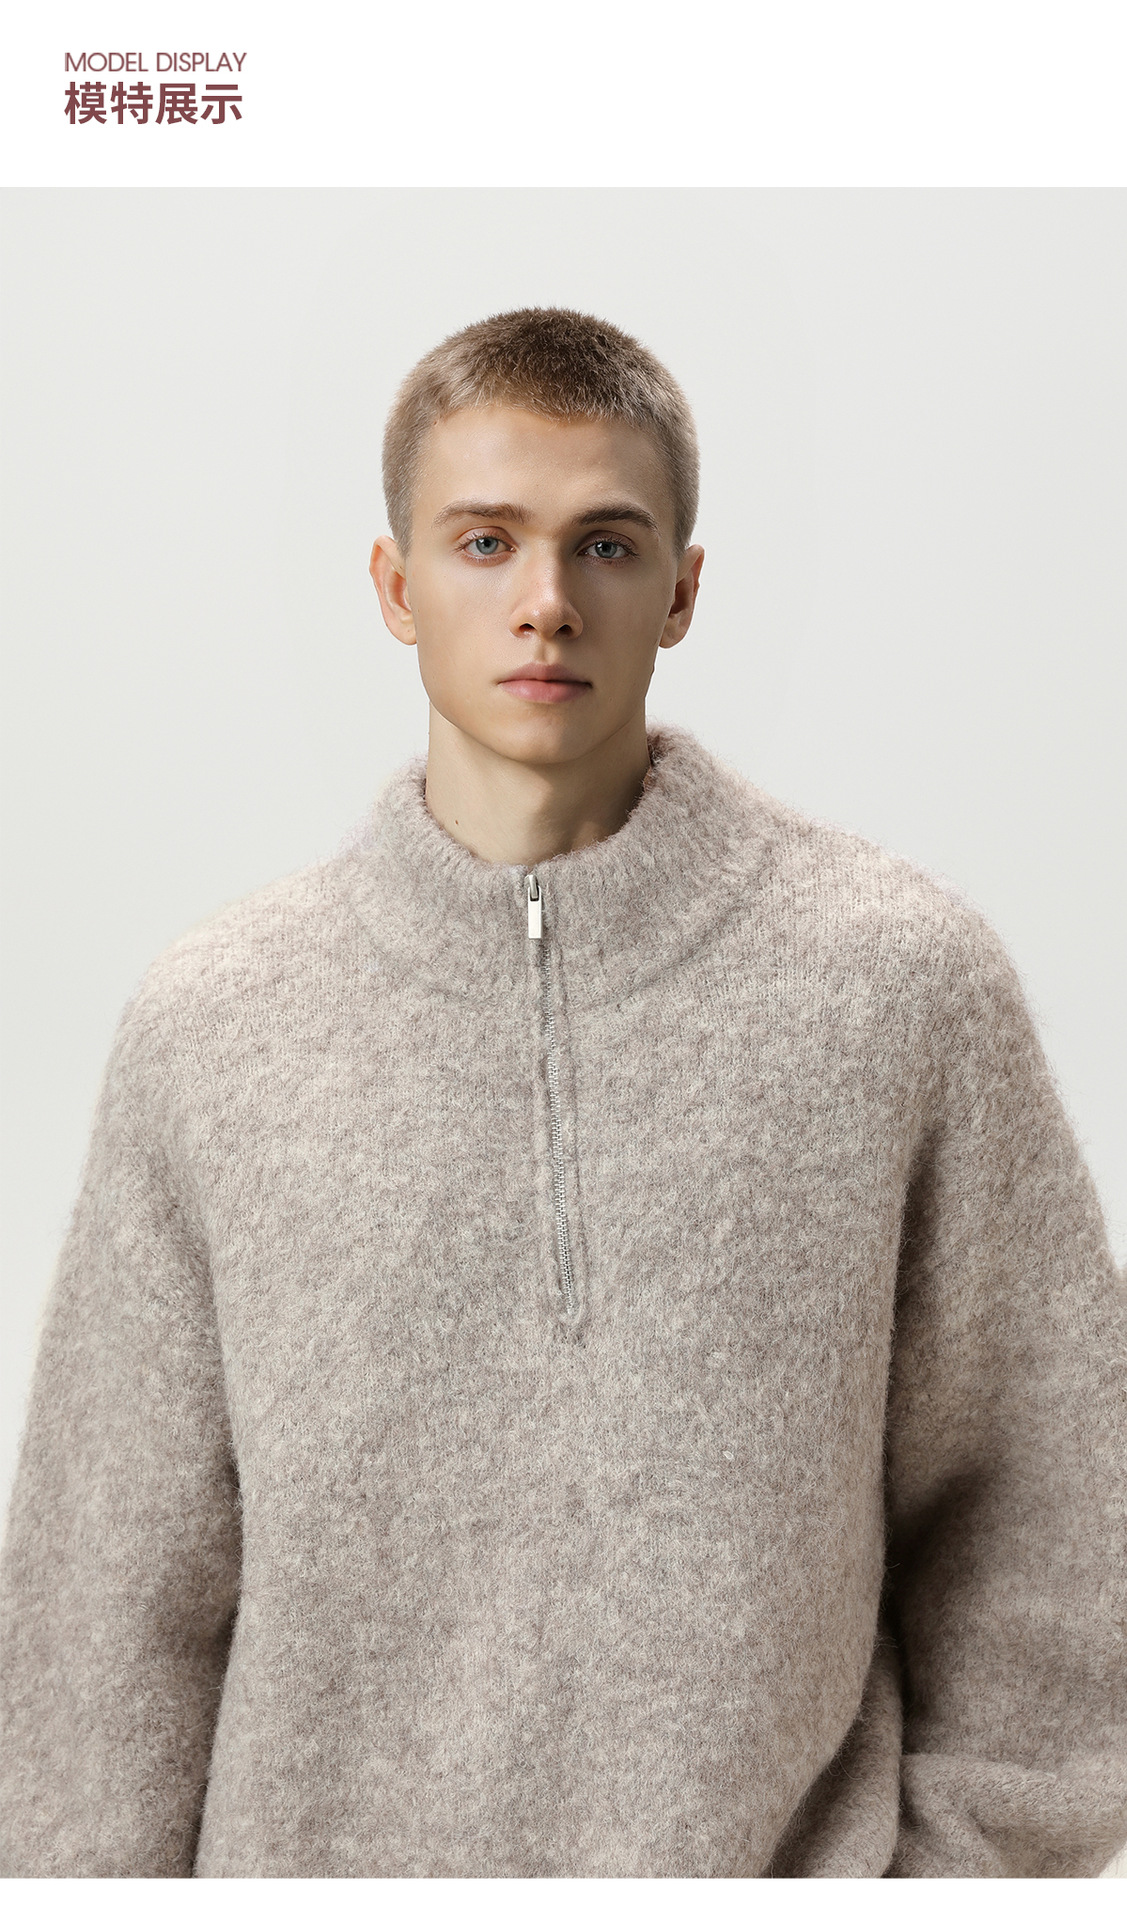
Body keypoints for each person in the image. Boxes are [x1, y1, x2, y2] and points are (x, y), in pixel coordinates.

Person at [1, 307, 1124, 1880]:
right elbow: (107, 1616)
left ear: (683, 590)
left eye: (605, 544)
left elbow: (1054, 1518)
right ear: (396, 588)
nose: (545, 602)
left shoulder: (898, 987)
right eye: (484, 542)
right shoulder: (215, 1027)